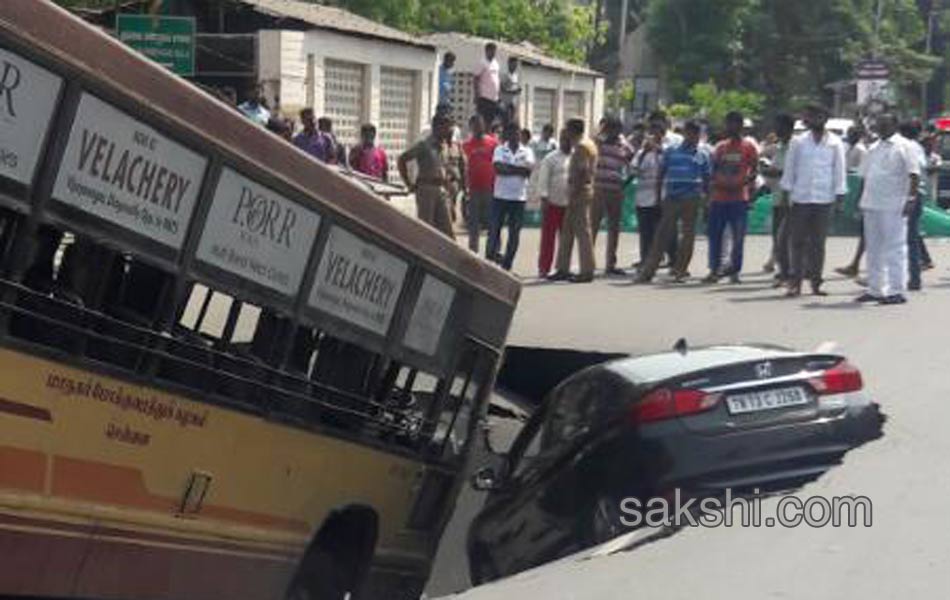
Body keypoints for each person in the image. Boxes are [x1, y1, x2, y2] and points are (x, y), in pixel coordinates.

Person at [779, 104, 847, 297]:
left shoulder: (835, 142)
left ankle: (816, 282)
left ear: (825, 118)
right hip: (801, 198)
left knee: (818, 243)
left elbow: (839, 171)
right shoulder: (798, 142)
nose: (813, 120)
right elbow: (790, 170)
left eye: (817, 116)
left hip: (823, 199)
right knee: (797, 241)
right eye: (810, 116)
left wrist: (840, 197)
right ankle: (795, 282)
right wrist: (786, 196)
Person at [856, 113, 921, 305]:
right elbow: (865, 175)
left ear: (894, 124)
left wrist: (911, 199)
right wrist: (861, 200)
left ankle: (896, 290)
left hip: (894, 203)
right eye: (878, 124)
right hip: (872, 202)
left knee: (895, 247)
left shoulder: (905, 146)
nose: (880, 127)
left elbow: (914, 174)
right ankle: (875, 289)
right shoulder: (873, 147)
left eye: (884, 124)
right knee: (874, 247)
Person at [635, 120, 711, 283]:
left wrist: (707, 202)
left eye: (697, 134)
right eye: (691, 133)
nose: (695, 137)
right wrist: (657, 196)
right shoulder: (672, 151)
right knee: (662, 234)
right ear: (685, 133)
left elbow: (707, 179)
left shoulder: (702, 154)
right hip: (672, 197)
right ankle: (648, 271)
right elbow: (661, 173)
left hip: (692, 198)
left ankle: (680, 270)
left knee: (688, 236)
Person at [705, 111, 759, 284]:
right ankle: (714, 270)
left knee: (738, 237)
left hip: (739, 199)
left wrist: (747, 184)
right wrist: (712, 191)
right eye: (728, 124)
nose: (731, 127)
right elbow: (712, 171)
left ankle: (734, 271)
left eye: (735, 124)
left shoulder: (748, 147)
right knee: (715, 236)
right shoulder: (720, 147)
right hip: (719, 198)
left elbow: (755, 169)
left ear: (741, 126)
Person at [550, 118, 597, 283]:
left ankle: (587, 270)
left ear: (572, 130)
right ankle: (562, 267)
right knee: (567, 232)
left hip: (579, 192)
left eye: (567, 129)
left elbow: (582, 172)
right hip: (579, 191)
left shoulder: (582, 147)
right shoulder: (588, 144)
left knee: (582, 232)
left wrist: (574, 191)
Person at [398, 113, 457, 239]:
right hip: (426, 190)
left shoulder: (445, 146)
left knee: (448, 232)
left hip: (442, 191)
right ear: (436, 127)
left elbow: (445, 169)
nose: (448, 131)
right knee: (426, 230)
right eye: (445, 128)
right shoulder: (424, 146)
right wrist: (409, 183)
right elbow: (402, 159)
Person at [486, 122, 535, 271]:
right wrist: (518, 169)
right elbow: (498, 169)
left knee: (514, 233)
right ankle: (490, 259)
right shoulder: (500, 149)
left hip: (518, 198)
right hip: (500, 197)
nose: (514, 135)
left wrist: (509, 168)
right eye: (511, 132)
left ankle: (507, 264)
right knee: (494, 230)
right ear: (506, 134)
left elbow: (527, 171)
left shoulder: (527, 151)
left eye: (517, 132)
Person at [591, 115, 635, 275]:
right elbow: (591, 144)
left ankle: (611, 263)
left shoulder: (623, 145)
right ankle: (588, 261)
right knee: (593, 226)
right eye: (609, 128)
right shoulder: (597, 142)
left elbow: (633, 163)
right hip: (598, 189)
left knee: (614, 228)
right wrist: (600, 133)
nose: (613, 132)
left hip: (615, 190)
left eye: (615, 129)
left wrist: (624, 183)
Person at [760, 114, 795, 284]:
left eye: (779, 126)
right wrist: (767, 170)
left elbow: (795, 172)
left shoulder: (796, 147)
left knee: (787, 237)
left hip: (792, 200)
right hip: (778, 197)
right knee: (777, 237)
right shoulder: (779, 148)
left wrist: (777, 173)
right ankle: (783, 270)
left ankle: (791, 272)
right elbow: (776, 170)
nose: (776, 130)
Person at [536, 128, 572, 278]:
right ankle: (544, 267)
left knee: (566, 239)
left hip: (569, 204)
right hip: (552, 203)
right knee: (548, 238)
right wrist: (544, 198)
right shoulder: (551, 158)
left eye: (569, 140)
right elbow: (543, 180)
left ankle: (563, 267)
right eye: (564, 139)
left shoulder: (575, 157)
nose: (567, 143)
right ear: (560, 139)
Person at [462, 114, 498, 253]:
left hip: (490, 189)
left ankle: (493, 252)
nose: (478, 127)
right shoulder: (466, 146)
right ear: (471, 127)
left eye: (480, 124)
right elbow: (462, 167)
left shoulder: (493, 143)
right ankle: (473, 252)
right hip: (473, 190)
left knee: (491, 222)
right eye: (475, 125)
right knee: (473, 224)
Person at [630, 121, 665, 270]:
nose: (652, 137)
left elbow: (665, 169)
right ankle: (645, 260)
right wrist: (644, 152)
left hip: (659, 198)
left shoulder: (666, 152)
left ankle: (657, 259)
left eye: (656, 134)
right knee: (645, 232)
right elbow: (633, 170)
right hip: (642, 198)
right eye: (651, 133)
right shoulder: (641, 153)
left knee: (658, 232)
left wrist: (658, 151)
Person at [900, 120, 929, 291]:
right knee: (911, 237)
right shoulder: (915, 147)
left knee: (908, 237)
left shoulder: (909, 147)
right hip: (913, 194)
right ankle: (912, 276)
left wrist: (910, 197)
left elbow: (914, 173)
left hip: (911, 195)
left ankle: (914, 278)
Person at [474, 43, 501, 129]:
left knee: (492, 120)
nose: (493, 53)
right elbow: (476, 79)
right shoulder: (482, 63)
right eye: (491, 51)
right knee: (483, 120)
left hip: (494, 99)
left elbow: (496, 79)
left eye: (494, 51)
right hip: (484, 98)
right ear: (487, 51)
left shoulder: (495, 63)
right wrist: (477, 95)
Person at [499, 57, 522, 126]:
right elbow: (501, 88)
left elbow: (515, 86)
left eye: (516, 65)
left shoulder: (515, 76)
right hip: (505, 102)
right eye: (513, 64)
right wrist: (512, 92)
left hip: (513, 102)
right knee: (505, 120)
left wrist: (518, 90)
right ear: (509, 64)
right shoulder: (504, 75)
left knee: (512, 121)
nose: (515, 66)